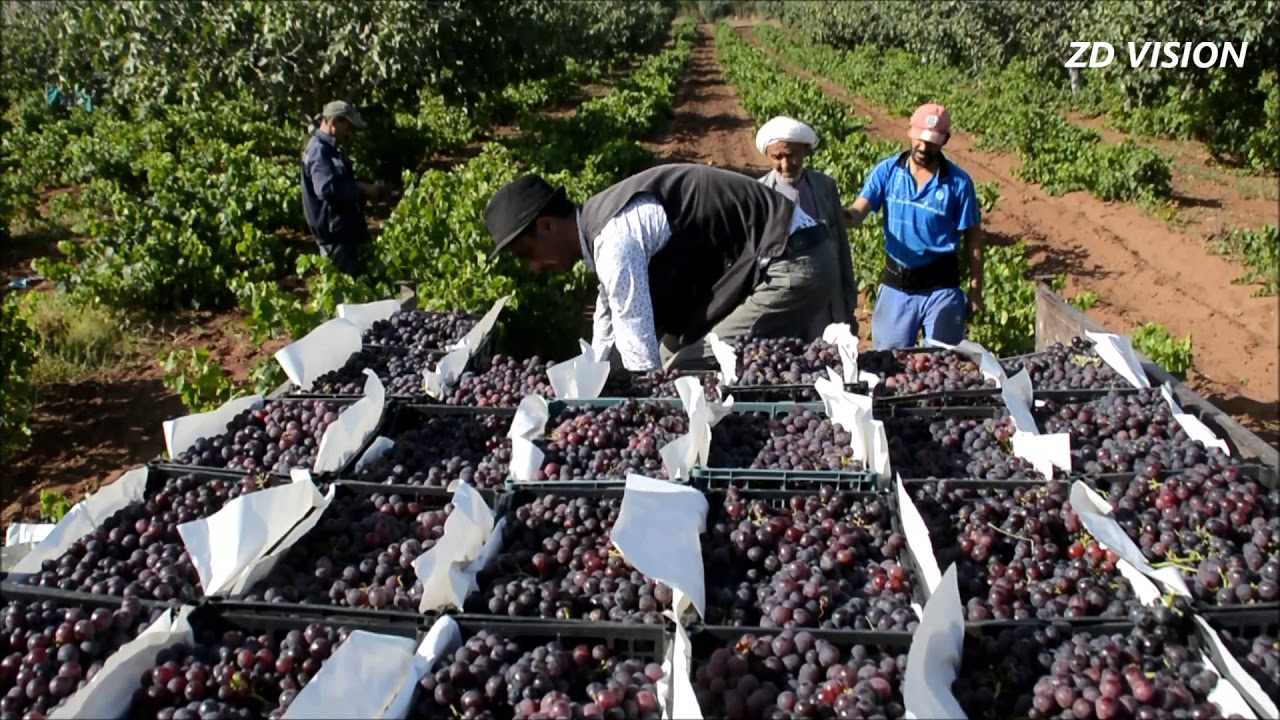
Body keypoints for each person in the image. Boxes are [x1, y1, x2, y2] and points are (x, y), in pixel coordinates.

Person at [483, 163, 839, 373]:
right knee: (672, 352)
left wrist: (644, 420)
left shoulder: (613, 238)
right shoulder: (600, 225)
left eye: (527, 253)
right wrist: (593, 383)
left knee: (684, 367)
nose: (533, 268)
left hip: (794, 262)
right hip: (781, 255)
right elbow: (608, 324)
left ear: (547, 226)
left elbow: (636, 341)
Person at [843, 103, 984, 350]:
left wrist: (975, 289)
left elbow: (972, 237)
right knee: (888, 361)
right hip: (897, 285)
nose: (922, 147)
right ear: (909, 131)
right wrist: (842, 215)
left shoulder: (959, 184)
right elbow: (857, 213)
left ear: (945, 140)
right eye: (919, 139)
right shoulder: (887, 172)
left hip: (942, 286)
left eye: (931, 141)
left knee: (942, 363)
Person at [755, 116, 858, 336]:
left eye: (791, 155)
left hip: (825, 297)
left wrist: (848, 305)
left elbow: (841, 246)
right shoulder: (759, 193)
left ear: (805, 151)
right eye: (777, 157)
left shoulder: (825, 186)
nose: (785, 164)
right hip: (783, 298)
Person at [300, 100, 390, 277]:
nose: (351, 134)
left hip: (347, 236)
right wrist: (365, 189)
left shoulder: (330, 150)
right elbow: (327, 189)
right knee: (349, 296)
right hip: (337, 242)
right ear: (334, 122)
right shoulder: (319, 152)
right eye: (349, 128)